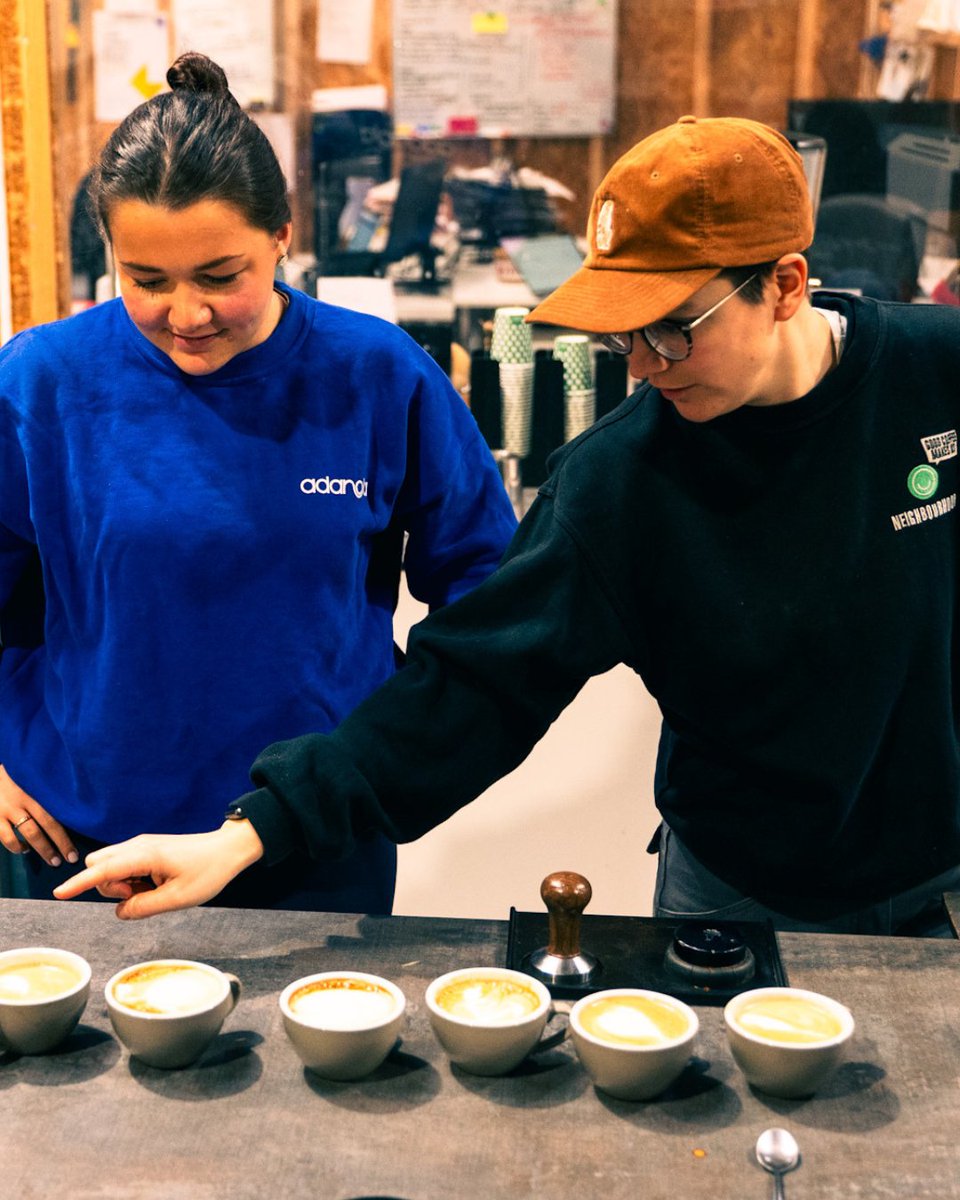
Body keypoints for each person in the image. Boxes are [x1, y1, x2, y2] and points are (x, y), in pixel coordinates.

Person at [56, 115, 960, 937]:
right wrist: (252, 833)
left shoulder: (936, 371)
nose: (644, 366)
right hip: (748, 882)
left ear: (786, 285)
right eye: (624, 336)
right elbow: (474, 688)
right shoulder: (618, 483)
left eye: (673, 330)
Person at [0, 52, 517, 914]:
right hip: (84, 842)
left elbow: (490, 597)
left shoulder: (376, 374)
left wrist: (385, 757)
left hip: (310, 839)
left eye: (220, 276)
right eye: (146, 281)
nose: (186, 315)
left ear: (281, 237)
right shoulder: (39, 380)